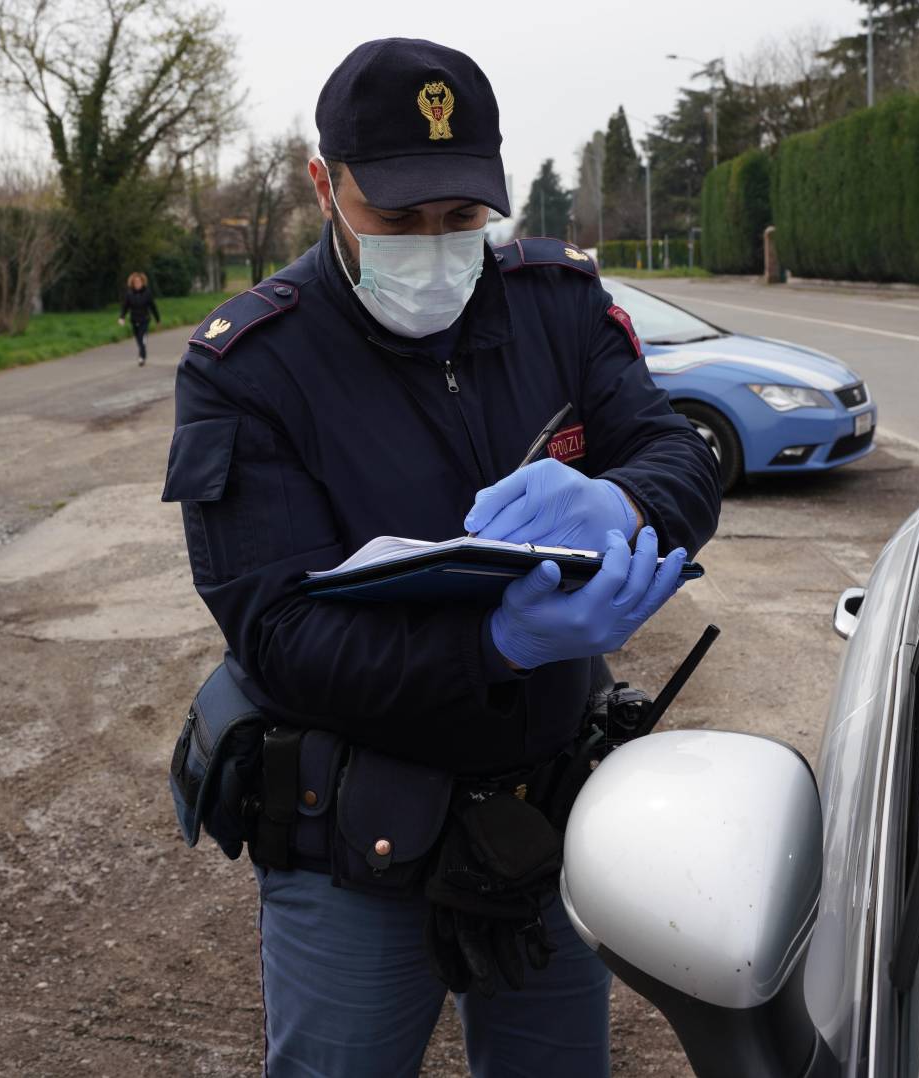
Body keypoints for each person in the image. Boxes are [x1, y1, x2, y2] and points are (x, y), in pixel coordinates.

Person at [161, 37, 720, 1078]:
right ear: (324, 185)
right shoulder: (249, 368)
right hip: (353, 840)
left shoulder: (554, 306)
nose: (435, 247)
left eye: (461, 219)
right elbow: (280, 634)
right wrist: (496, 642)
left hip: (544, 810)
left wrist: (619, 497)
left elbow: (677, 450)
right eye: (398, 219)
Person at [118, 271, 160, 366]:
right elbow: (125, 307)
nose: (137, 284)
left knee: (142, 339)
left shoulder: (147, 293)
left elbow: (153, 307)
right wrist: (122, 317)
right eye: (135, 282)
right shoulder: (129, 294)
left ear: (142, 282)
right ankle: (142, 355)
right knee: (138, 340)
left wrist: (157, 320)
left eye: (139, 282)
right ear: (132, 283)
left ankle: (142, 357)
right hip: (134, 319)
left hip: (144, 320)